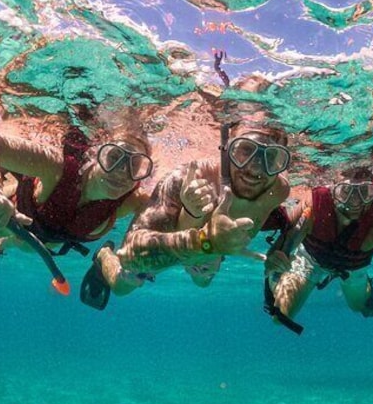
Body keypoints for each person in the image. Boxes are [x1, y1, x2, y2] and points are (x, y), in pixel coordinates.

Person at [0, 118, 153, 284]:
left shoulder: (131, 200)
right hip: (9, 214)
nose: (122, 172)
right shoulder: (56, 167)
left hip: (49, 236)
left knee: (26, 245)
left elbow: (174, 218)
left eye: (135, 165)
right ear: (95, 155)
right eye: (114, 157)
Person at [81, 120, 291, 307]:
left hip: (209, 250)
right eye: (246, 150)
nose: (256, 168)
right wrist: (206, 241)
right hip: (171, 241)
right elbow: (128, 255)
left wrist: (281, 249)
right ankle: (103, 255)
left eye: (271, 157)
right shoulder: (186, 178)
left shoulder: (278, 190)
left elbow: (300, 216)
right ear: (226, 150)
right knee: (122, 286)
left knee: (203, 283)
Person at [262, 167, 373, 330]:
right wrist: (274, 267)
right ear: (332, 191)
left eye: (364, 192)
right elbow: (276, 251)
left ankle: (368, 288)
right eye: (345, 191)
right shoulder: (312, 205)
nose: (355, 202)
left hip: (354, 269)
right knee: (280, 316)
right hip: (309, 261)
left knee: (357, 306)